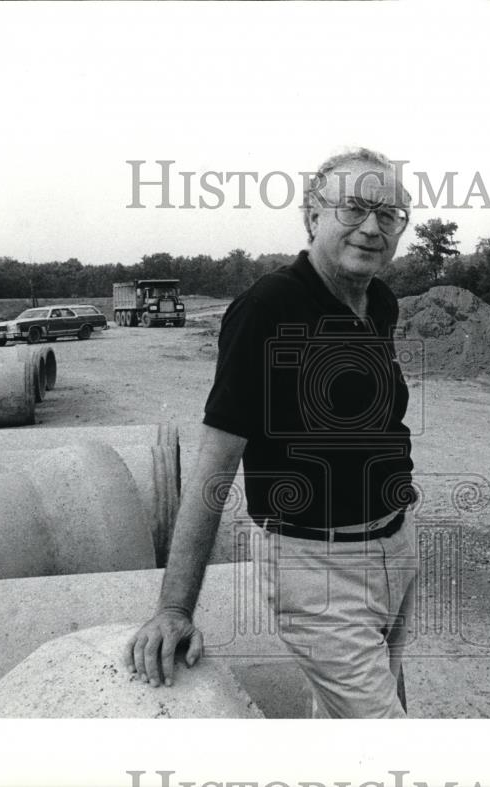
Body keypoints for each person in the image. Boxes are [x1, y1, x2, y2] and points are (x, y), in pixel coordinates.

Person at [124, 148, 418, 718]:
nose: (372, 228)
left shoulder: (378, 301)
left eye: (390, 215)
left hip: (397, 546)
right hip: (318, 569)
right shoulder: (267, 309)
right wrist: (174, 608)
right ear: (312, 215)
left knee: (353, 716)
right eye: (354, 208)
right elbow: (215, 464)